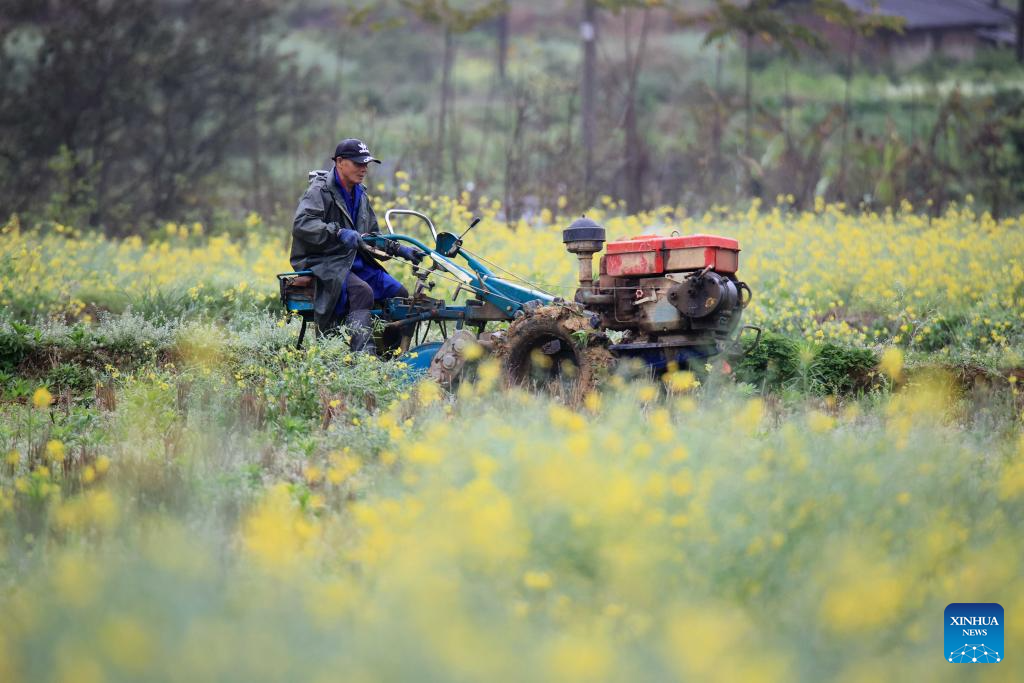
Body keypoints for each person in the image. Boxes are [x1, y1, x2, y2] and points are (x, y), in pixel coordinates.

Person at [290, 138, 423, 353]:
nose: (364, 169)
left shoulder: (360, 194)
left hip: (354, 262)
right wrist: (338, 232)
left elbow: (372, 235)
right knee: (362, 292)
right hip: (324, 262)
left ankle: (390, 354)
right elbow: (302, 224)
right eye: (358, 163)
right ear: (339, 162)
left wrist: (399, 249)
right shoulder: (320, 190)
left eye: (366, 164)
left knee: (399, 293)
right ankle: (363, 356)